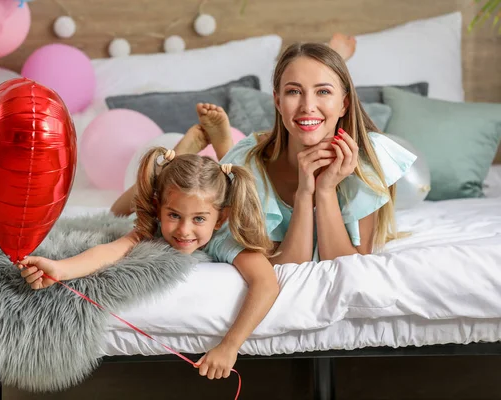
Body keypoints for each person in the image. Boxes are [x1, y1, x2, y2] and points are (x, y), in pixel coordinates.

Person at [19, 146, 280, 381]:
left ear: (220, 219)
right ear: (158, 209)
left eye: (199, 219)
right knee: (116, 211)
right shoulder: (154, 227)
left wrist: (230, 346)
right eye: (174, 215)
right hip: (154, 199)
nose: (184, 230)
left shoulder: (225, 239)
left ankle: (200, 142)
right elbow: (111, 251)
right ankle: (183, 149)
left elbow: (266, 283)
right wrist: (60, 269)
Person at [160, 42, 416, 265]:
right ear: (278, 101)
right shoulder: (250, 165)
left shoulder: (366, 159)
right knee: (165, 187)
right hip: (247, 163)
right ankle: (203, 149)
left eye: (323, 91)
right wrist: (305, 192)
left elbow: (346, 264)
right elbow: (286, 263)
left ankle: (222, 144)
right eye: (294, 92)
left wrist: (325, 190)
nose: (307, 106)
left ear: (344, 104)